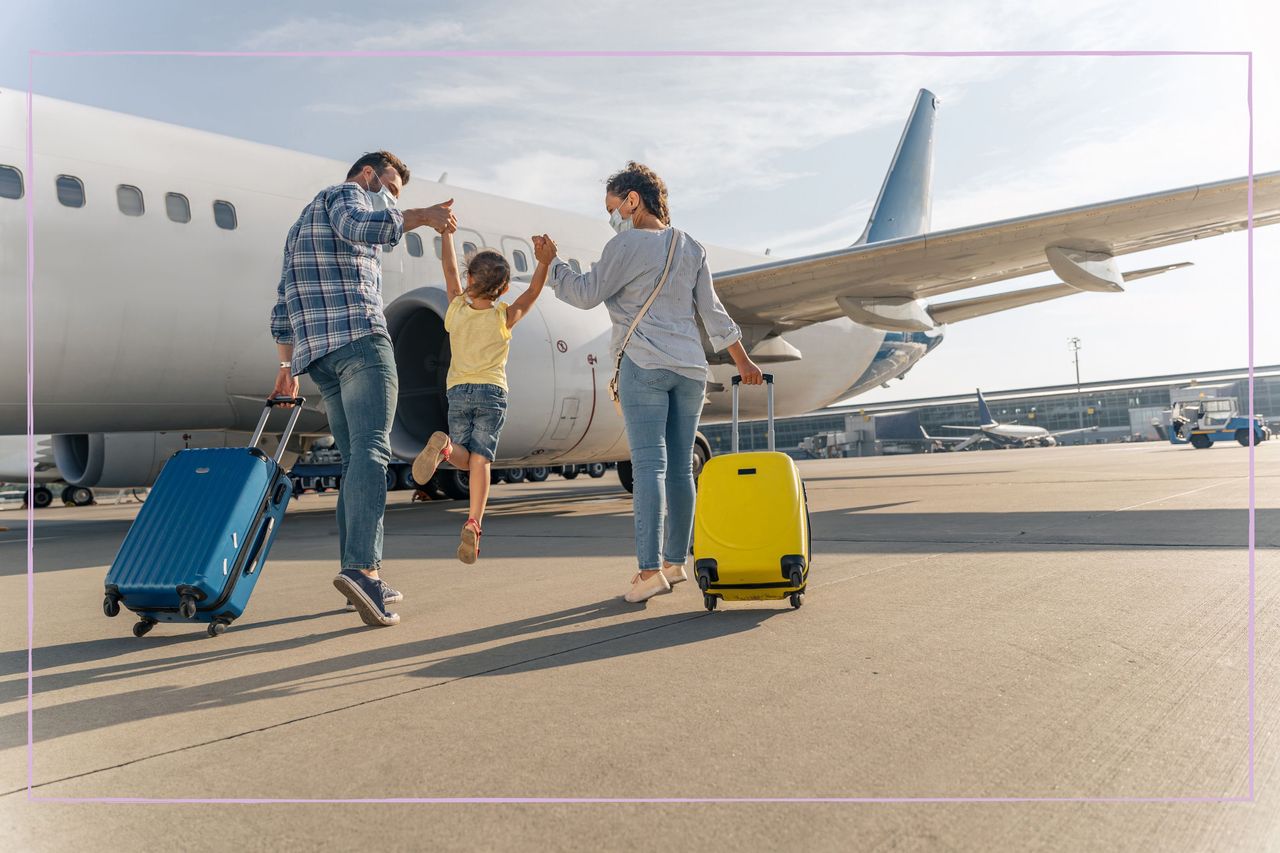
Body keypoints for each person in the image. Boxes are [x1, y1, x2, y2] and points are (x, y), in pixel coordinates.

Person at [535, 161, 763, 603]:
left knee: (649, 468)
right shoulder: (690, 246)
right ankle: (676, 563)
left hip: (644, 365)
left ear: (633, 201)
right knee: (681, 470)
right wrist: (743, 361)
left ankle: (647, 572)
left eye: (612, 207)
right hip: (691, 370)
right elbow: (712, 313)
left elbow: (584, 294)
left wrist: (553, 263)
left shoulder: (626, 246)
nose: (612, 216)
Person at [271, 151, 456, 627]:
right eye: (392, 188)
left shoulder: (298, 229)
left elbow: (282, 301)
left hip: (320, 358)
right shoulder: (348, 194)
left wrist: (286, 365)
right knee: (374, 453)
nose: (393, 199)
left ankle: (356, 570)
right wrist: (422, 217)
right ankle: (364, 569)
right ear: (370, 174)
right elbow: (362, 227)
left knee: (355, 461)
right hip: (359, 341)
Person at [410, 225, 548, 563]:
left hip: (458, 391)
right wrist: (544, 261)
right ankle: (475, 520)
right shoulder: (504, 317)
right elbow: (532, 292)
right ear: (502, 289)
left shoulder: (456, 309)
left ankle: (443, 447)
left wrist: (446, 234)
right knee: (481, 460)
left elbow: (448, 269)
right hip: (492, 392)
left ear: (470, 279)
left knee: (462, 454)